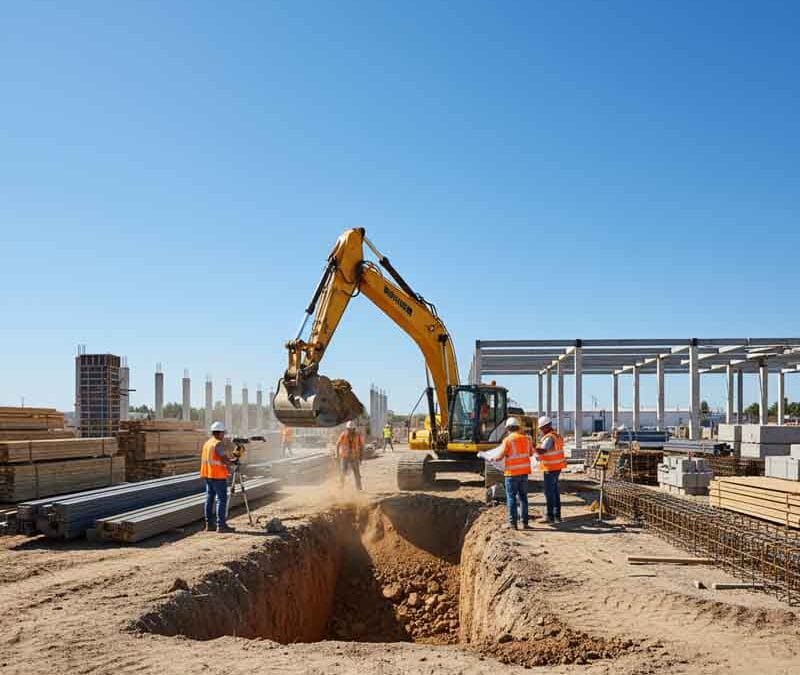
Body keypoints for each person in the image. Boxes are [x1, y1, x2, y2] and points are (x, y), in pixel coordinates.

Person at [200, 421, 235, 533]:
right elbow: (223, 459)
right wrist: (232, 462)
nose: (224, 435)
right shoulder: (218, 444)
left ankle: (209, 525)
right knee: (221, 500)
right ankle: (221, 525)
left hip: (208, 475)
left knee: (209, 499)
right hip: (217, 475)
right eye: (223, 433)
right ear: (219, 433)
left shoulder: (207, 443)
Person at [500, 416, 533, 530]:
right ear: (518, 427)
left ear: (508, 428)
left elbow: (501, 455)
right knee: (523, 497)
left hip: (511, 473)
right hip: (524, 473)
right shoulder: (527, 439)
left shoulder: (507, 440)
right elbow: (531, 454)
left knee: (511, 497)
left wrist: (492, 458)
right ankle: (525, 523)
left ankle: (513, 523)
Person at [534, 415, 567, 524]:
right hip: (556, 467)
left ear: (546, 426)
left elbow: (543, 450)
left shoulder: (549, 438)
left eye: (541, 428)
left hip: (550, 468)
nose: (540, 430)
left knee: (549, 492)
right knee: (555, 492)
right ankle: (557, 516)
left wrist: (532, 449)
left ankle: (550, 516)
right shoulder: (555, 436)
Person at [336, 421, 364, 490]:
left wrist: (361, 456)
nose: (350, 430)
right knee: (343, 472)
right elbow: (337, 444)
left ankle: (359, 488)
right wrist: (337, 455)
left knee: (357, 473)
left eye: (351, 429)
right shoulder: (343, 435)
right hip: (345, 456)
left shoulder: (358, 435)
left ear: (354, 429)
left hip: (354, 457)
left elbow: (362, 446)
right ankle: (341, 486)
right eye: (349, 429)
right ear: (347, 429)